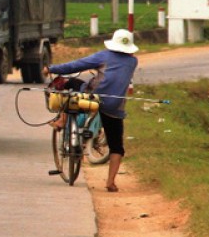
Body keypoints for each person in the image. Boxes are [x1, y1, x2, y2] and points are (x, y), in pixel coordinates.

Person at [42, 28, 139, 193]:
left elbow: (76, 65)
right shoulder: (133, 62)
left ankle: (62, 120)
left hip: (92, 99)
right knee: (117, 147)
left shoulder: (104, 56)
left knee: (71, 84)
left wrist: (51, 68)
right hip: (114, 106)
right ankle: (110, 182)